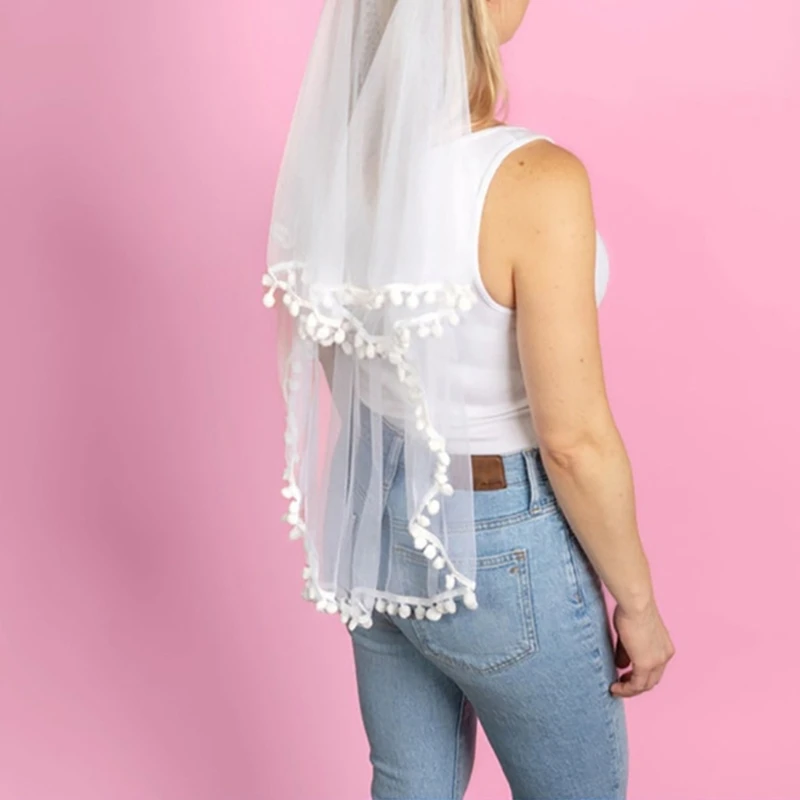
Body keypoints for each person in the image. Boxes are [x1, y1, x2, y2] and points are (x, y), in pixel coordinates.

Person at [262, 1, 675, 798]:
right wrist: (640, 604)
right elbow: (573, 442)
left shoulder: (343, 164)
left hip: (377, 517)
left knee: (409, 785)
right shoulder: (535, 181)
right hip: (501, 540)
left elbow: (343, 359)